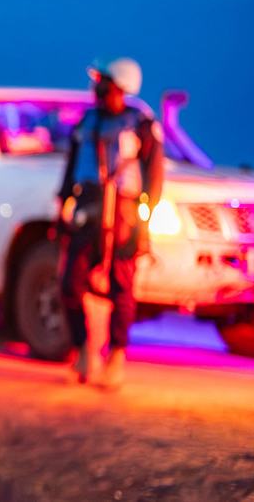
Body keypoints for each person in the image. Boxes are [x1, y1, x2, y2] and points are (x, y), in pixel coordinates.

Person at [57, 57, 165, 389]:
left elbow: (154, 177)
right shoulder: (86, 122)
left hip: (123, 212)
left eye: (102, 81)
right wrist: (63, 206)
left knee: (122, 288)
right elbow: (71, 167)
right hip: (88, 206)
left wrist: (143, 222)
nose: (96, 87)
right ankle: (83, 348)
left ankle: (117, 355)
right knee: (69, 283)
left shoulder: (142, 125)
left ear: (118, 86)